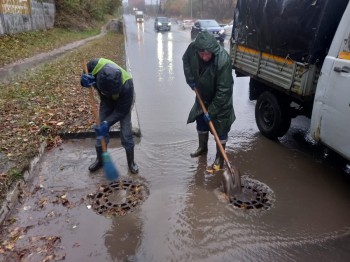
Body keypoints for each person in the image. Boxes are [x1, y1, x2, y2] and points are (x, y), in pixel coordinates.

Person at [182, 31, 236, 170]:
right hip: (202, 95)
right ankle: (202, 147)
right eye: (202, 54)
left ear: (213, 50)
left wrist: (211, 111)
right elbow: (186, 61)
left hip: (220, 100)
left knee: (220, 128)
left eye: (208, 54)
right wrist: (190, 80)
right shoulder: (193, 49)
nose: (205, 57)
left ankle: (220, 158)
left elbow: (224, 91)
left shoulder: (223, 60)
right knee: (201, 122)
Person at [80, 58, 139, 174]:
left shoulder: (127, 85)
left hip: (123, 102)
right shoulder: (94, 66)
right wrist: (83, 81)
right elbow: (84, 76)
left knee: (126, 131)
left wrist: (107, 123)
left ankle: (131, 162)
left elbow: (121, 111)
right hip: (106, 100)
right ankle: (100, 160)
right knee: (100, 131)